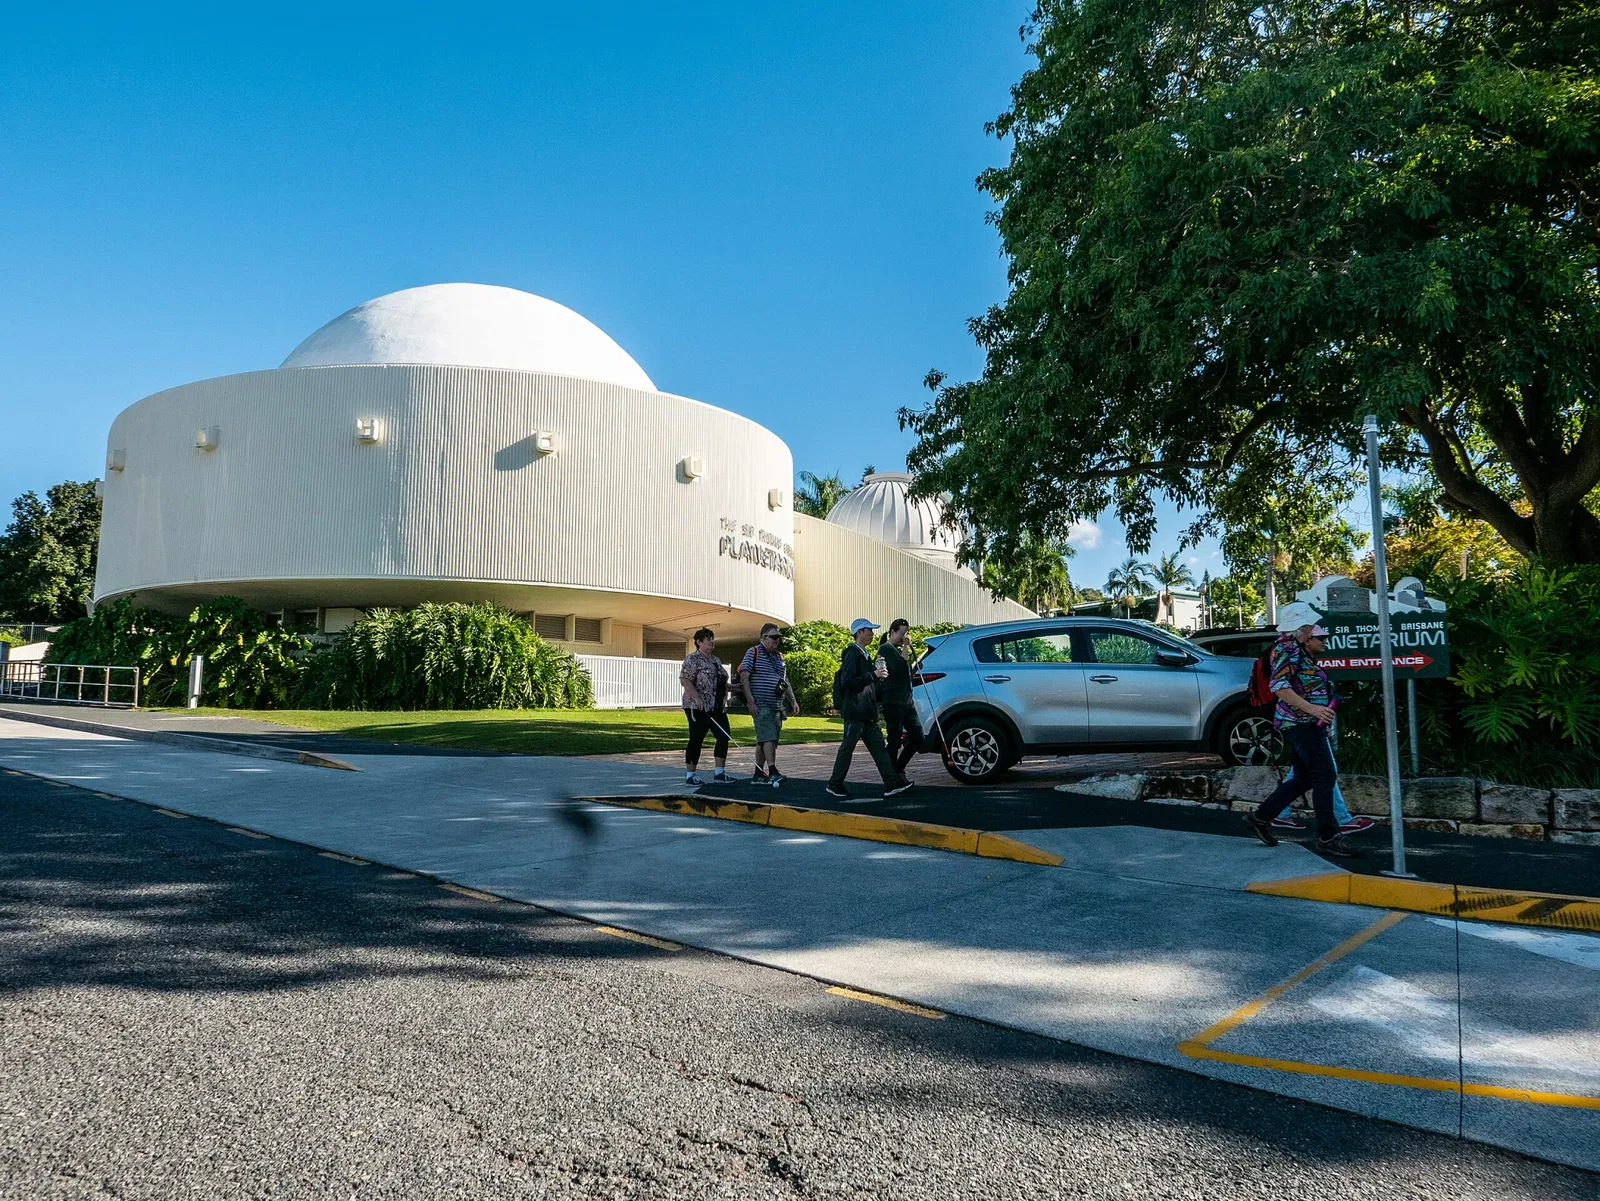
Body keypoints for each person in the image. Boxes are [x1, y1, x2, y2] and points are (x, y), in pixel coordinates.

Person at [1245, 604, 1359, 858]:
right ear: (1302, 629)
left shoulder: (1295, 649)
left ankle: (1261, 818)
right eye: (1309, 627)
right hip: (1300, 723)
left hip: (1304, 723)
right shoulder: (1286, 648)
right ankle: (1328, 837)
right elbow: (1280, 686)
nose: (1312, 631)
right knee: (1325, 776)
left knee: (1305, 778)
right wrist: (1313, 710)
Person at [825, 618, 914, 800]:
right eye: (869, 631)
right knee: (847, 748)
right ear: (859, 633)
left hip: (867, 712)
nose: (872, 634)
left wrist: (877, 679)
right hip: (855, 711)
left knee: (879, 748)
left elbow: (868, 682)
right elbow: (848, 682)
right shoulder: (852, 653)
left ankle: (891, 783)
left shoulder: (865, 654)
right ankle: (834, 784)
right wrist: (873, 675)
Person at [740, 623, 799, 786]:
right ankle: (772, 770)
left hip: (777, 705)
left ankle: (758, 773)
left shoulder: (779, 657)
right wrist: (750, 701)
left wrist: (792, 700)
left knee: (764, 740)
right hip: (761, 703)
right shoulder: (754, 652)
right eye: (773, 637)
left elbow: (784, 681)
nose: (777, 640)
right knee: (769, 738)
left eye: (778, 637)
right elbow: (745, 676)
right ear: (763, 637)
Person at [680, 628, 732, 785]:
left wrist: (737, 687)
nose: (711, 642)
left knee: (724, 735)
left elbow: (720, 684)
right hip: (697, 707)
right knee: (697, 738)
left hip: (716, 707)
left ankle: (719, 772)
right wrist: (697, 698)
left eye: (712, 639)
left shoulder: (715, 661)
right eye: (708, 639)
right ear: (699, 642)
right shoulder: (693, 660)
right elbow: (685, 680)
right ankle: (691, 774)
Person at [877, 618, 922, 774]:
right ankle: (891, 774)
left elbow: (906, 672)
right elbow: (900, 668)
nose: (904, 637)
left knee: (918, 737)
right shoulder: (885, 649)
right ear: (892, 632)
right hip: (893, 701)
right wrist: (905, 647)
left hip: (906, 701)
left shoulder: (897, 650)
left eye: (906, 634)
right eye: (902, 634)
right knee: (894, 740)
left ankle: (898, 768)